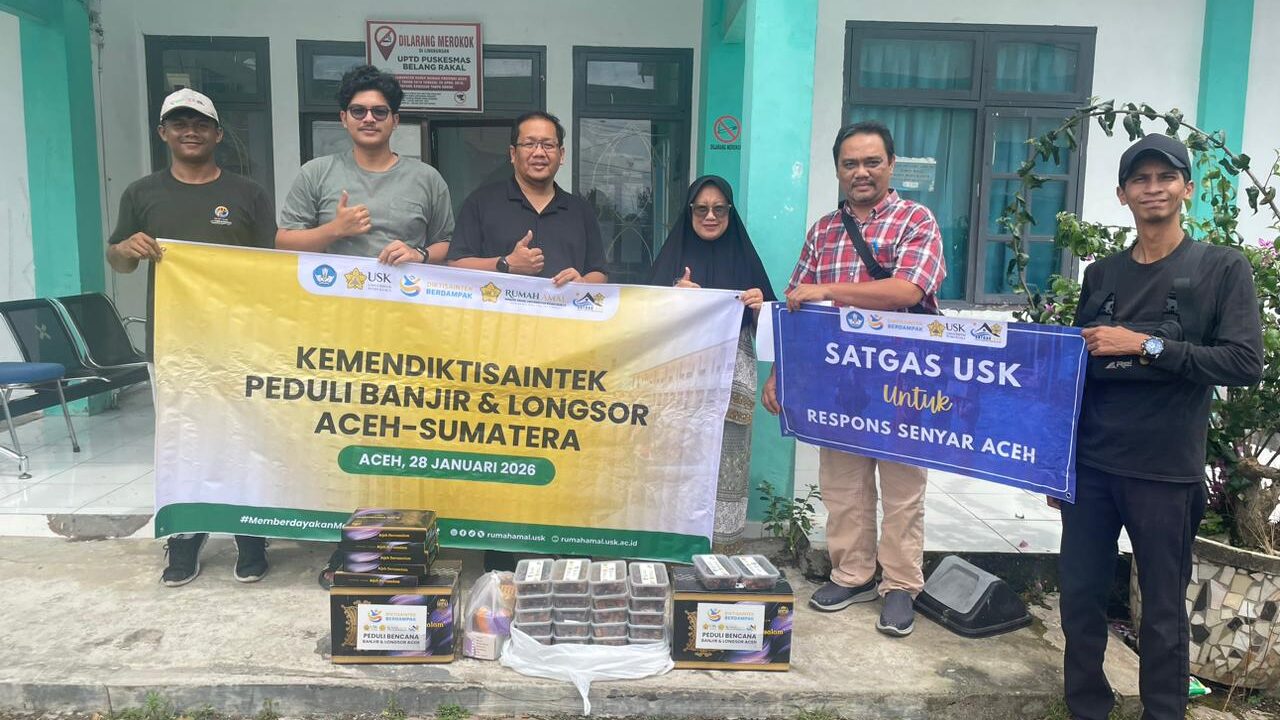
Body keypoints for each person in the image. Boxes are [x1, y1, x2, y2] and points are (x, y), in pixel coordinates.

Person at [1060, 134, 1263, 720]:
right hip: (1092, 467)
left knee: (1164, 610)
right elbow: (1077, 373)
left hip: (1165, 471)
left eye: (1166, 178)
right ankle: (1086, 707)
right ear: (1122, 195)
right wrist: (1058, 462)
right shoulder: (1102, 275)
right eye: (1140, 180)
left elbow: (1244, 362)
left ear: (1187, 189)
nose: (1154, 189)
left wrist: (1145, 345)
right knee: (1080, 598)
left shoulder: (1221, 268)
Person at [762, 121, 946, 637]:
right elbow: (796, 306)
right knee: (843, 486)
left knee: (903, 488)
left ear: (891, 164)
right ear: (838, 170)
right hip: (838, 382)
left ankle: (901, 584)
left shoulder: (916, 220)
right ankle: (853, 573)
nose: (861, 172)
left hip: (903, 380)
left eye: (871, 162)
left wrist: (830, 291)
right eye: (850, 164)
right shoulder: (823, 230)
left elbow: (907, 290)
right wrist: (780, 373)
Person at [106, 88, 276, 587]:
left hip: (238, 341)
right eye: (179, 123)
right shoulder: (141, 193)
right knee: (181, 439)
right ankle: (185, 533)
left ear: (218, 134)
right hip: (173, 343)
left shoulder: (249, 194)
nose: (190, 132)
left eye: (201, 124)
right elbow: (117, 260)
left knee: (244, 436)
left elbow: (268, 268)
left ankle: (249, 531)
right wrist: (126, 248)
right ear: (163, 133)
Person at [648, 175, 773, 551]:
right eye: (701, 208)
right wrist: (674, 297)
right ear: (689, 212)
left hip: (733, 385)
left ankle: (723, 550)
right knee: (677, 463)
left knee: (727, 464)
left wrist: (760, 307)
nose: (710, 216)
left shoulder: (745, 260)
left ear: (730, 213)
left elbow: (769, 331)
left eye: (720, 208)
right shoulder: (672, 259)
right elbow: (645, 320)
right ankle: (673, 550)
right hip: (681, 385)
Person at [277, 65, 453, 264]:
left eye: (379, 112)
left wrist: (418, 254)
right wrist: (335, 229)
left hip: (403, 284)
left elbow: (448, 244)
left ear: (395, 121)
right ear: (344, 118)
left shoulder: (427, 178)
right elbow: (284, 244)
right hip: (332, 284)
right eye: (358, 111)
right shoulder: (315, 173)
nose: (369, 119)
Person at [447, 111, 608, 287]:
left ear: (561, 155)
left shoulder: (581, 211)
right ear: (513, 154)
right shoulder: (481, 202)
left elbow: (599, 271)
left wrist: (583, 282)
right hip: (499, 305)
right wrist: (505, 263)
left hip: (564, 306)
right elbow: (455, 264)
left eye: (548, 145)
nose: (539, 152)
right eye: (529, 144)